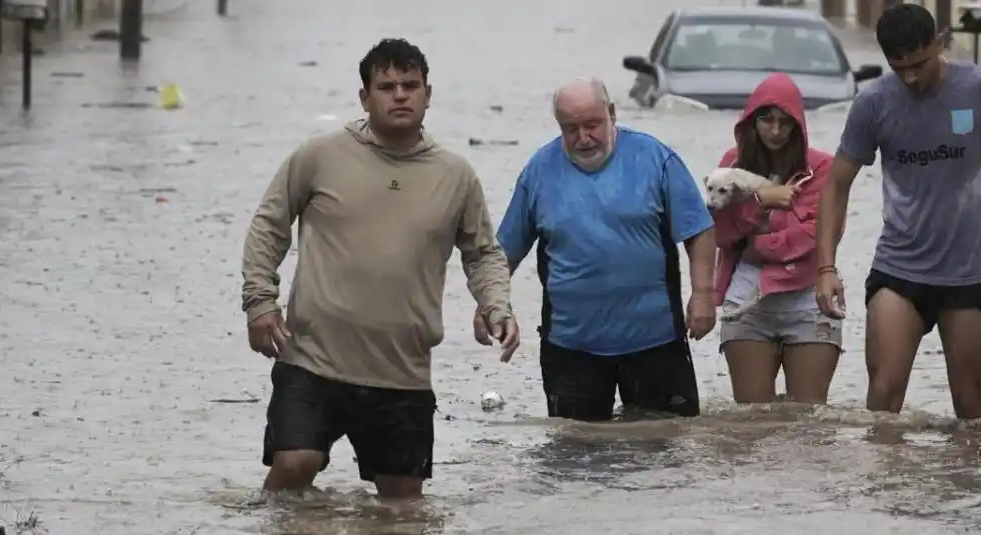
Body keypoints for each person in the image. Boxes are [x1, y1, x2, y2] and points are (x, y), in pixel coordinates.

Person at [241, 38, 519, 499]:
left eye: (410, 85)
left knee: (402, 503)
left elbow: (482, 253)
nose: (400, 95)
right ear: (365, 97)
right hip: (313, 358)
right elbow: (269, 225)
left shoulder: (455, 175)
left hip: (401, 371)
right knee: (295, 464)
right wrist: (259, 302)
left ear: (428, 93)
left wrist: (497, 307)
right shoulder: (320, 156)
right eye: (386, 86)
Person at [814, 5, 981, 420]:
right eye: (900, 68)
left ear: (939, 42)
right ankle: (884, 486)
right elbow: (837, 184)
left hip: (969, 273)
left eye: (919, 63)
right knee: (882, 401)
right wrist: (825, 267)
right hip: (898, 270)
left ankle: (965, 486)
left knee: (972, 413)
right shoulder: (873, 103)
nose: (911, 77)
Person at [476, 76, 716, 422]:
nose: (583, 137)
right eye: (571, 129)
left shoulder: (656, 159)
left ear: (613, 114)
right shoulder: (539, 171)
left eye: (592, 125)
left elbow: (699, 230)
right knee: (574, 456)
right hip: (571, 348)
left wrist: (704, 294)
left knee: (666, 452)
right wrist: (489, 304)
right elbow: (504, 252)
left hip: (656, 341)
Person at [710, 73, 842, 405]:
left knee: (808, 424)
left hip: (809, 298)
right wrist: (760, 201)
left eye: (785, 123)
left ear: (798, 126)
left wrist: (756, 245)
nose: (775, 131)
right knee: (753, 425)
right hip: (746, 300)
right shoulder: (731, 166)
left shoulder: (823, 167)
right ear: (751, 122)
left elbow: (816, 235)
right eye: (766, 120)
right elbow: (720, 233)